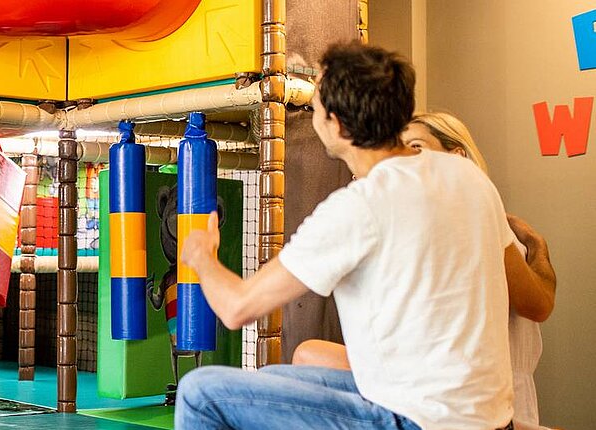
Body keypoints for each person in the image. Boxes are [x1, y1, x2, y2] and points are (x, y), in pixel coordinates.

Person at [174, 41, 538, 429]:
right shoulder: (468, 177)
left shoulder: (360, 206)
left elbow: (236, 308)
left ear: (338, 125)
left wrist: (202, 256)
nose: (313, 117)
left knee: (200, 392)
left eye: (315, 109)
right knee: (276, 378)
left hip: (416, 421)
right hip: (488, 419)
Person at [294, 112, 557, 429]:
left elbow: (538, 304)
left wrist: (537, 243)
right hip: (439, 396)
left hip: (485, 408)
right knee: (309, 357)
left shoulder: (477, 221)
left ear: (456, 158)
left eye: (416, 147)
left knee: (309, 357)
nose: (404, 161)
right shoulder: (419, 225)